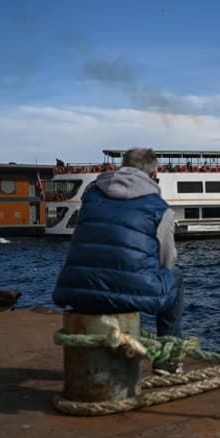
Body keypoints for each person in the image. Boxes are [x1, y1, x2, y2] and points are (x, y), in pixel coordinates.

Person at [52, 148, 183, 375]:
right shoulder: (160, 209)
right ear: (154, 174)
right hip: (126, 297)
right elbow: (167, 261)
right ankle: (168, 361)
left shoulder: (91, 196)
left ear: (122, 166)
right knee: (176, 276)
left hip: (78, 293)